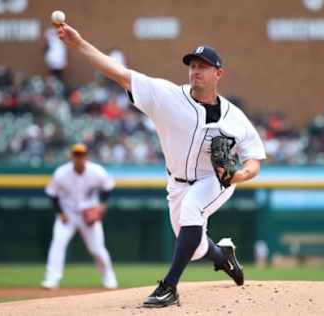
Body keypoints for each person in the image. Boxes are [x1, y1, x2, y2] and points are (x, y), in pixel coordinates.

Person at [56, 23, 266, 307]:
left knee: (193, 210)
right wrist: (79, 44)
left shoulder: (235, 118)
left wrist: (238, 175)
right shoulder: (166, 96)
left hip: (215, 180)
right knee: (192, 245)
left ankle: (169, 287)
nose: (195, 71)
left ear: (218, 73)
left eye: (203, 66)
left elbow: (254, 158)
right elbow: (118, 73)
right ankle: (223, 255)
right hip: (177, 183)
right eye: (192, 65)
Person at [41, 143, 118, 290]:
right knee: (58, 244)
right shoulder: (61, 173)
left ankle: (109, 278)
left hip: (88, 213)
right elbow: (52, 194)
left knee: (97, 248)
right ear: (71, 156)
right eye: (76, 155)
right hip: (68, 214)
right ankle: (52, 279)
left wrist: (103, 205)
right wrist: (61, 213)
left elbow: (108, 188)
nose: (79, 157)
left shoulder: (97, 171)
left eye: (81, 155)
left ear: (86, 157)